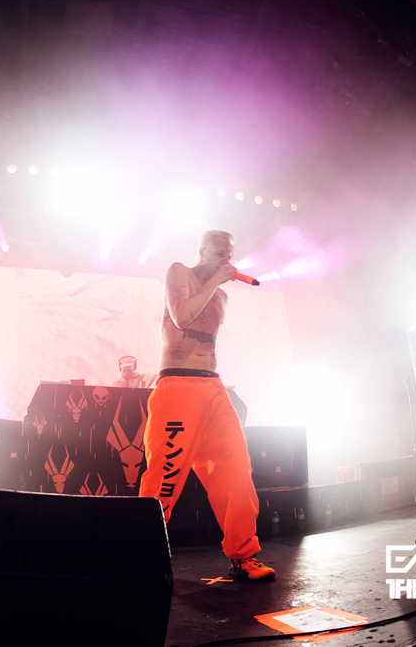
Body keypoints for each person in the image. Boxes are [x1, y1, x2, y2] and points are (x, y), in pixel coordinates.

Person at [138, 229, 274, 580]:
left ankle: (244, 555)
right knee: (164, 477)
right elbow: (182, 318)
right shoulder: (178, 272)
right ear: (202, 251)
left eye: (229, 254)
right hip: (177, 385)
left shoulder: (222, 296)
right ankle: (140, 556)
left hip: (213, 386)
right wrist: (214, 280)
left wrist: (216, 285)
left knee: (236, 471)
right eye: (219, 253)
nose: (225, 259)